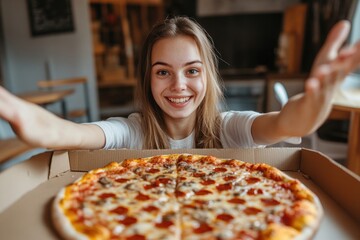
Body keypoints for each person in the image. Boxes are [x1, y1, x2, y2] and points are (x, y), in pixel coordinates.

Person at [0, 16, 359, 150]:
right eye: (162, 71)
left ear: (207, 75)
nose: (178, 85)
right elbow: (68, 133)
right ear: (147, 78)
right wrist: (16, 109)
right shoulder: (133, 132)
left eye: (191, 70)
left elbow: (286, 122)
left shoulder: (229, 128)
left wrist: (317, 100)